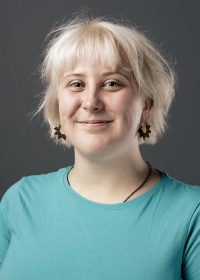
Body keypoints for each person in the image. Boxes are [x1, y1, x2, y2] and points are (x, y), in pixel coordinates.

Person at [0, 15, 200, 280]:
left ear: (147, 103)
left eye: (112, 83)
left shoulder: (191, 213)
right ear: (57, 104)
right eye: (76, 84)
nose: (91, 102)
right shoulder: (20, 201)